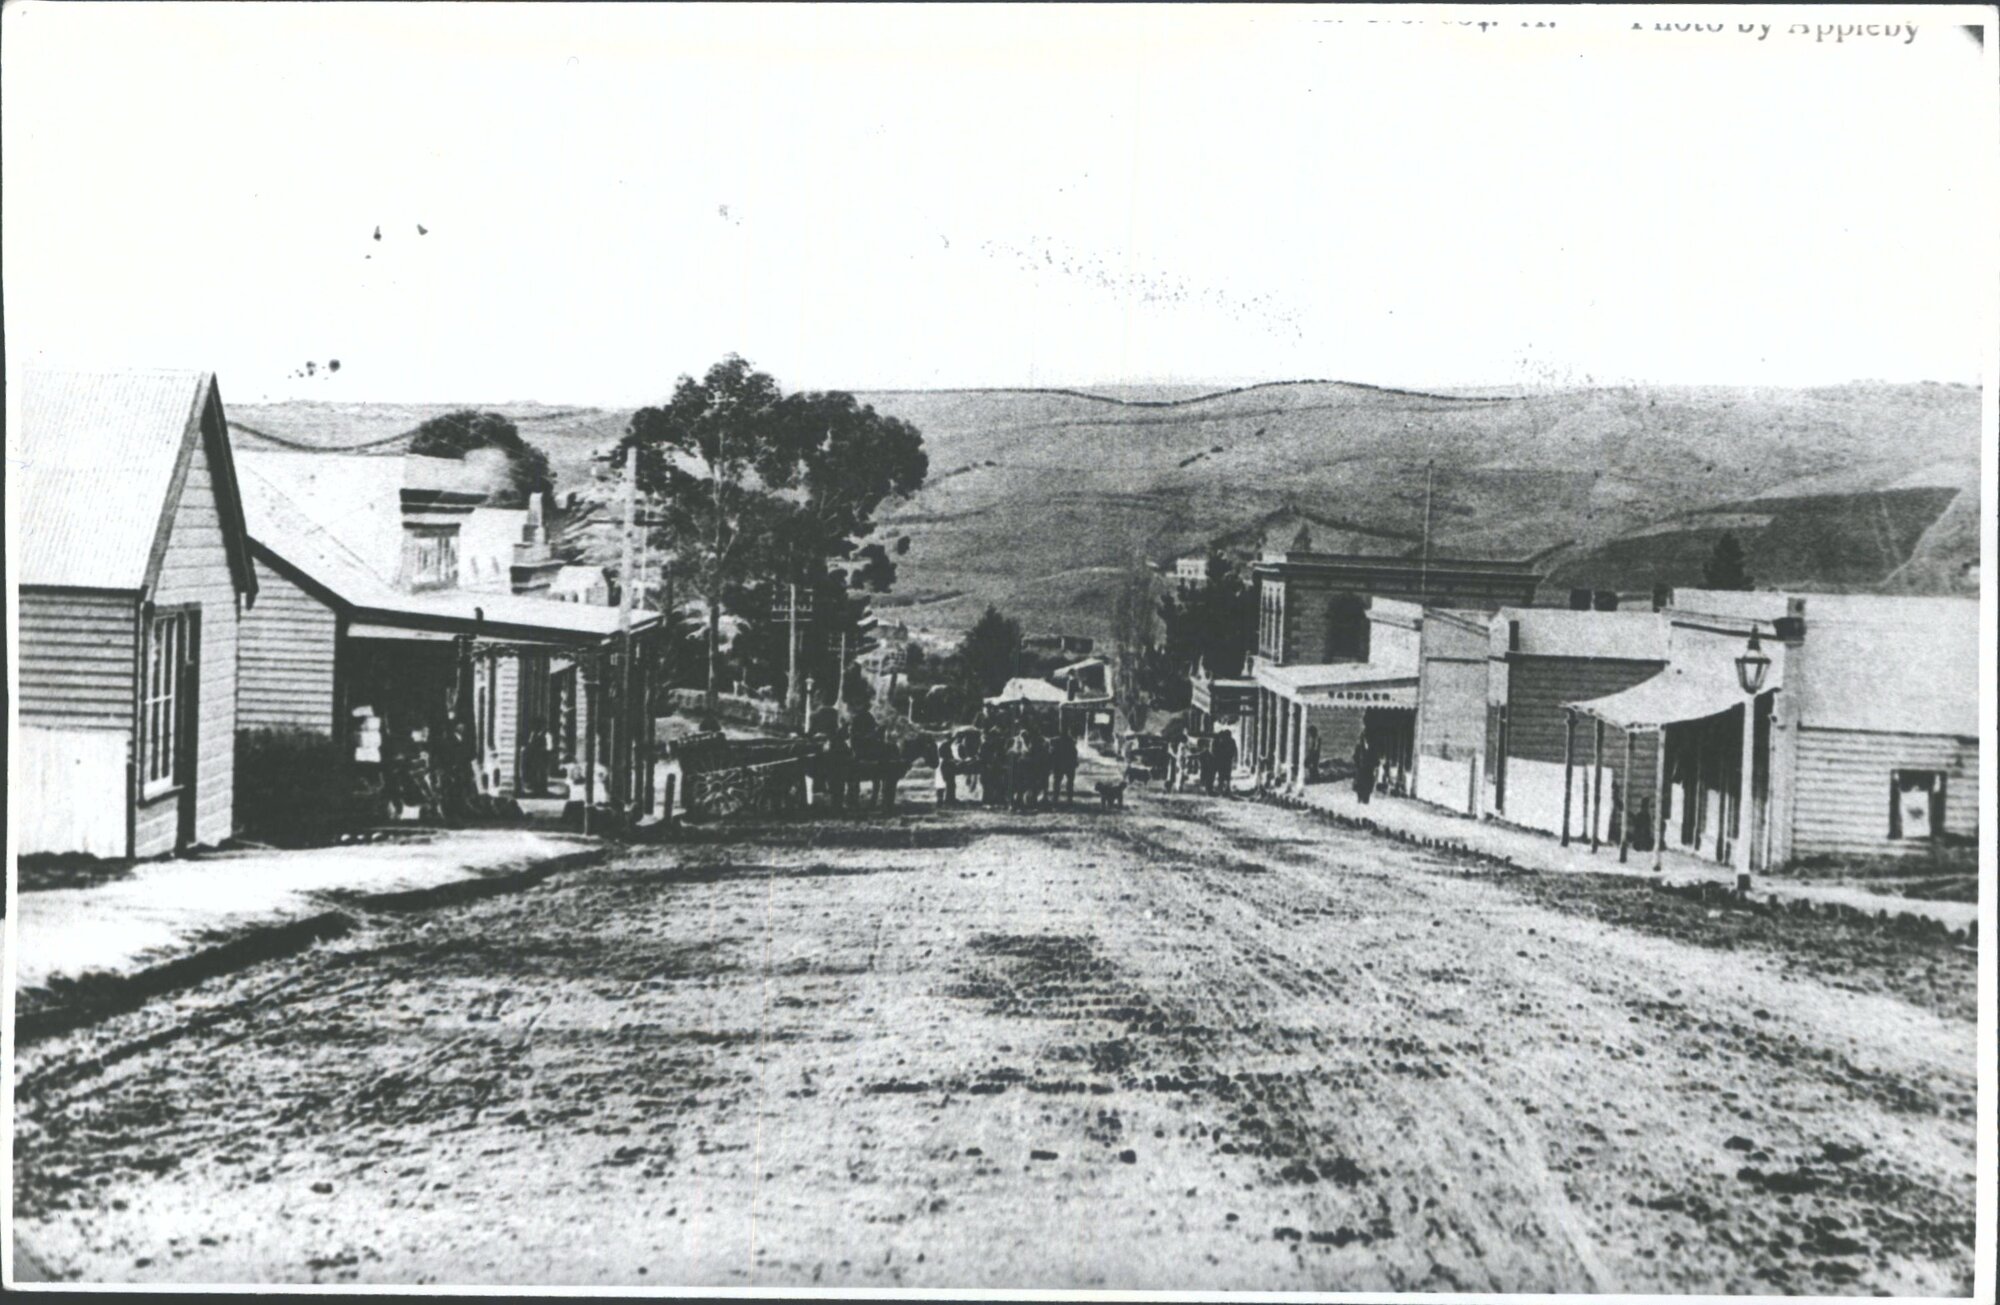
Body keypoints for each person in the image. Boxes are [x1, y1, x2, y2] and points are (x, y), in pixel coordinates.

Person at [1046, 730, 1079, 804]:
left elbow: (1052, 753)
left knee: (1058, 782)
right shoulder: (1070, 740)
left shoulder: (1055, 740)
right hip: (1067, 764)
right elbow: (1074, 752)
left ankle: (1057, 798)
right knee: (1067, 782)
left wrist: (1051, 763)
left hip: (1060, 764)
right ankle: (1067, 798)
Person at [1209, 725, 1238, 796]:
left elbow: (1234, 751)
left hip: (1224, 760)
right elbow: (1234, 751)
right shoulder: (1226, 741)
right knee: (1224, 776)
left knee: (1223, 776)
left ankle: (1223, 789)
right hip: (1223, 760)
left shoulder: (1228, 741)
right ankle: (1223, 789)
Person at [1352, 735, 1375, 805]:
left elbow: (1375, 759)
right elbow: (1355, 757)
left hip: (1368, 771)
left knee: (1366, 791)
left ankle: (1365, 802)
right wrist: (1358, 765)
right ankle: (1360, 802)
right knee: (1360, 789)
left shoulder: (1372, 748)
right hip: (1361, 771)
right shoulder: (1359, 748)